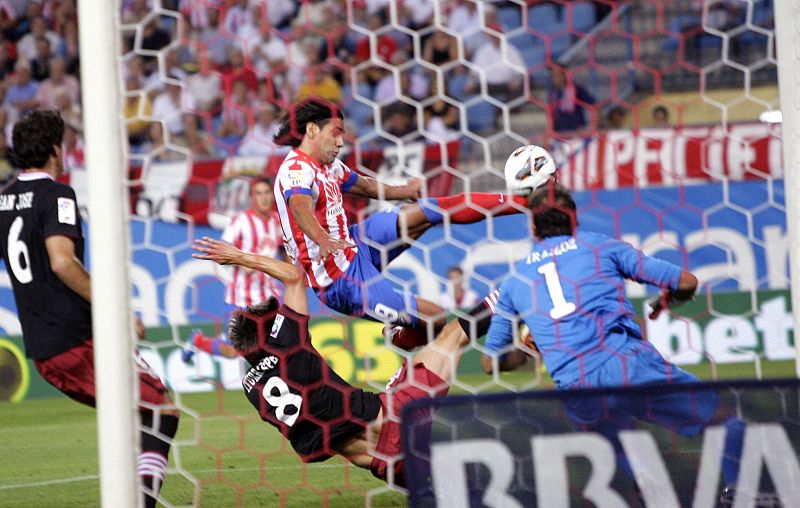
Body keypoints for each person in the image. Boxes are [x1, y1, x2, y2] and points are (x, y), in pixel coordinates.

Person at [482, 183, 748, 504]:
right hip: (625, 363)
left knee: (629, 454)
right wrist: (668, 299)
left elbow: (490, 362)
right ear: (574, 219)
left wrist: (529, 350)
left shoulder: (514, 283)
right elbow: (686, 281)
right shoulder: (600, 246)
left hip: (577, 387)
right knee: (724, 420)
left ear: (533, 227)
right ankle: (739, 494)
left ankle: (646, 484)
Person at [190, 235, 496, 487]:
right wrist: (239, 257)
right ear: (272, 334)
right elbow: (294, 278)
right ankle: (508, 297)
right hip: (397, 418)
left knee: (459, 491)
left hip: (384, 465)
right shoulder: (287, 345)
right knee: (453, 335)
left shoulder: (252, 389)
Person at [0, 110, 178, 507]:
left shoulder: (3, 199)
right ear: (55, 149)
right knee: (160, 410)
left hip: (43, 348)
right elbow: (63, 262)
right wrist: (118, 312)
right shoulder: (56, 194)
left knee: (132, 415)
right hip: (78, 338)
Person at [272, 97, 532, 348]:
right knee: (435, 318)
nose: (341, 142)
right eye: (336, 133)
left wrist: (404, 191)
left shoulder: (329, 165)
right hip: (339, 280)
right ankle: (397, 337)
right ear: (312, 130)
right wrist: (321, 239)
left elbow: (364, 186)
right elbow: (299, 207)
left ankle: (522, 202)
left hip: (356, 242)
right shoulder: (295, 169)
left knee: (425, 211)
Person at [183, 176, 285, 363]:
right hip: (241, 299)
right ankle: (198, 341)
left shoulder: (276, 221)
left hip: (270, 297)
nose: (263, 198)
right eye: (258, 193)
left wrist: (291, 268)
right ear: (251, 197)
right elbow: (222, 251)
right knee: (232, 352)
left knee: (281, 344)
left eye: (266, 193)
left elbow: (281, 247)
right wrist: (245, 262)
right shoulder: (241, 221)